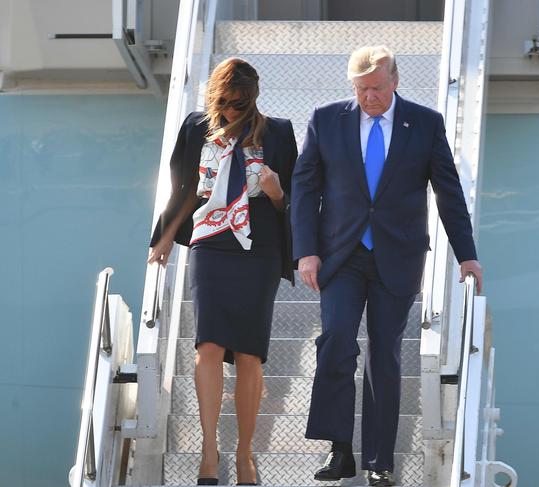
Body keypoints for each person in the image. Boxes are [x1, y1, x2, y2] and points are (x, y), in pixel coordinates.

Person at [290, 46, 483, 487]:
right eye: (361, 89)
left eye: (377, 88)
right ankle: (340, 451)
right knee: (337, 339)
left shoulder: (425, 123)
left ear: (395, 80)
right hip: (341, 254)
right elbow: (304, 189)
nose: (370, 97)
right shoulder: (326, 119)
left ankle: (380, 460)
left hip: (398, 256)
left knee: (384, 353)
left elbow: (448, 193)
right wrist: (306, 250)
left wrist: (466, 253)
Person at [149, 58, 297, 486]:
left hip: (259, 249)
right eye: (227, 102)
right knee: (209, 346)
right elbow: (182, 186)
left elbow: (295, 204)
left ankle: (246, 454)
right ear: (215, 96)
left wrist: (275, 192)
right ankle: (209, 449)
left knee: (250, 353)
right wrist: (164, 238)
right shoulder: (198, 127)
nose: (233, 111)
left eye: (242, 103)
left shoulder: (279, 132)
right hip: (211, 244)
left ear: (254, 98)